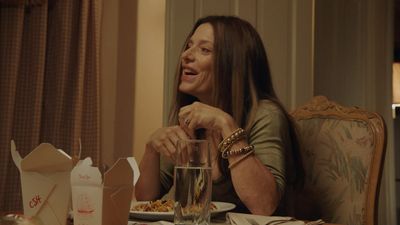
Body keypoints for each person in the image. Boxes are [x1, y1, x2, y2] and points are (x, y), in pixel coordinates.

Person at [135, 15, 304, 216]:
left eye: (204, 49)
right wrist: (151, 149)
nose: (185, 55)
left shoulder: (265, 114)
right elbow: (146, 199)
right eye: (188, 46)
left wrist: (225, 124)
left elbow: (263, 205)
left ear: (233, 64)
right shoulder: (191, 118)